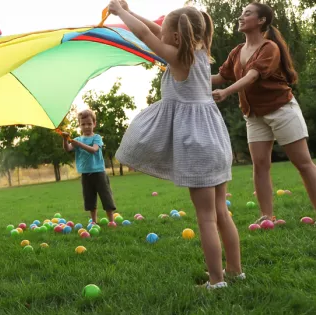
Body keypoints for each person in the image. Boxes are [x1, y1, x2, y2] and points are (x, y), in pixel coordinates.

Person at [110, 0, 244, 289]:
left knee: (206, 217)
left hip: (197, 146)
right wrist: (130, 11)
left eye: (166, 33)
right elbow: (155, 30)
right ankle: (235, 270)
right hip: (216, 140)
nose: (160, 35)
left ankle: (216, 280)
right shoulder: (199, 52)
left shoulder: (178, 59)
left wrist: (120, 14)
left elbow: (146, 36)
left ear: (176, 38)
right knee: (221, 212)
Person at [211, 2, 316, 224]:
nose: (241, 17)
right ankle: (267, 216)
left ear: (261, 21)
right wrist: (187, 74)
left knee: (303, 163)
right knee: (260, 165)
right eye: (241, 13)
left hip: (281, 110)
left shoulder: (270, 48)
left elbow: (251, 76)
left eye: (247, 14)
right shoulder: (237, 51)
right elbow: (220, 77)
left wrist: (227, 92)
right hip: (254, 115)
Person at [61, 109, 116, 225]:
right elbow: (67, 149)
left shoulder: (97, 138)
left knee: (106, 197)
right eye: (83, 124)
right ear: (79, 125)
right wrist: (65, 140)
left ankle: (111, 221)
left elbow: (94, 150)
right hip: (85, 174)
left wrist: (79, 145)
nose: (86, 126)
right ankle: (94, 221)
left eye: (89, 124)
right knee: (90, 199)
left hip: (99, 172)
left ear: (94, 124)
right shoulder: (77, 139)